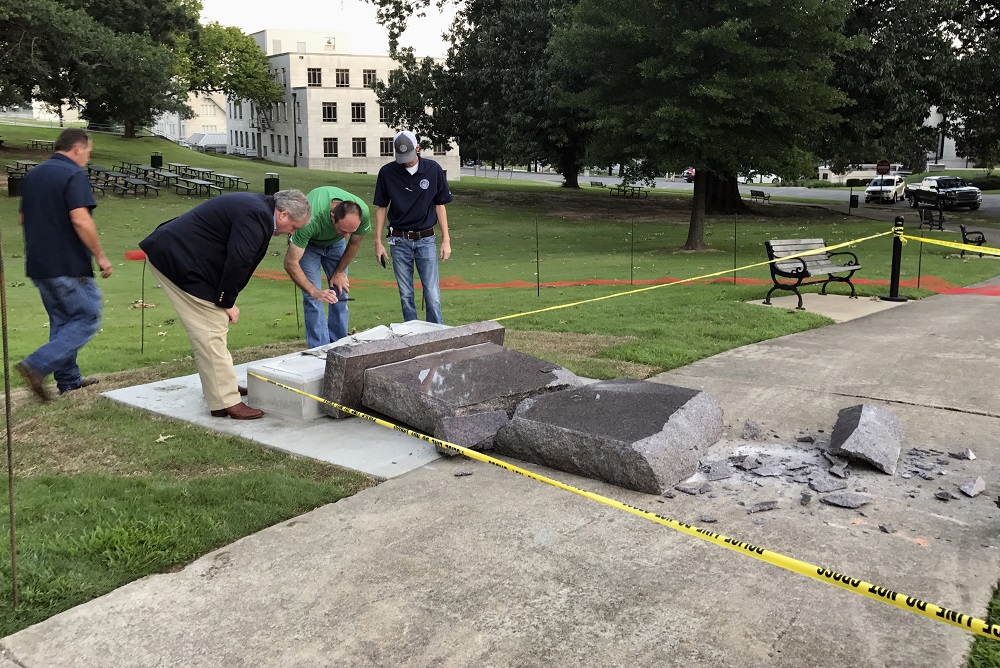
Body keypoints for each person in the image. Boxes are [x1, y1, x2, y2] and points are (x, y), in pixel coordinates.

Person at [139, 190, 311, 420]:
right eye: (294, 227)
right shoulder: (256, 215)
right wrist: (226, 302)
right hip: (176, 260)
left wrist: (225, 299)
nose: (292, 233)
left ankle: (222, 386)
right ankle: (224, 400)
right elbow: (238, 260)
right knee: (211, 328)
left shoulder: (258, 208)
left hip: (183, 257)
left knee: (213, 328)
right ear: (282, 214)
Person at [15, 128, 113, 402]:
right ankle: (36, 364)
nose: (87, 158)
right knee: (87, 317)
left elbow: (23, 219)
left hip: (38, 263)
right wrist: (100, 256)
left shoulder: (33, 175)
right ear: (77, 148)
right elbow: (81, 220)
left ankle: (68, 381)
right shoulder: (73, 174)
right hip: (67, 263)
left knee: (62, 321)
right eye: (88, 152)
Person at [373, 130, 453, 324]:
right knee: (406, 295)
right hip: (399, 241)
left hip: (426, 239)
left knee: (432, 295)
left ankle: (436, 336)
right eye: (402, 158)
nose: (406, 161)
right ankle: (411, 335)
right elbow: (381, 207)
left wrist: (446, 240)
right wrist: (378, 242)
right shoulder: (387, 173)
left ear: (417, 148)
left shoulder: (433, 170)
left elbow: (440, 205)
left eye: (409, 156)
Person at [283, 186, 371, 348]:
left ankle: (338, 346)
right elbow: (290, 262)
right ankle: (320, 349)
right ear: (332, 217)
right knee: (313, 297)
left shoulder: (362, 213)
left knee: (340, 292)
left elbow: (354, 243)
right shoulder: (310, 220)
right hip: (309, 246)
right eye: (343, 230)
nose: (346, 235)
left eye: (350, 231)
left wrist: (339, 272)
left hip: (335, 245)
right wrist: (313, 291)